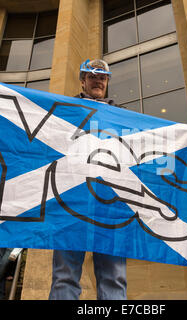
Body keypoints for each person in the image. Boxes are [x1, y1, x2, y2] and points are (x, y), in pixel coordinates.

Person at [48, 59, 127, 300]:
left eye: (102, 78)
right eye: (92, 77)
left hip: (110, 202)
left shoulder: (123, 116)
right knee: (64, 274)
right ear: (83, 80)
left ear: (107, 82)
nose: (98, 81)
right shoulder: (66, 111)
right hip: (72, 199)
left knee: (113, 275)